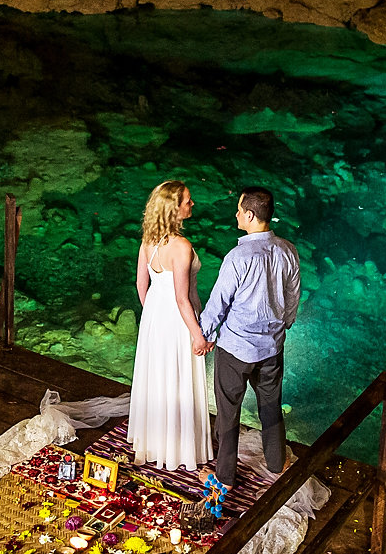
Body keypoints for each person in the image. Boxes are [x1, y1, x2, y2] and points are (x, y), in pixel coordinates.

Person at [200, 186, 300, 488]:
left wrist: (203, 334)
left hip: (235, 348)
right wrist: (285, 324)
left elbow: (219, 302)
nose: (236, 214)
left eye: (239, 209)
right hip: (271, 347)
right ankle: (274, 461)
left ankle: (225, 477)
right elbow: (293, 295)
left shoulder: (238, 256)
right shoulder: (288, 250)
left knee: (228, 410)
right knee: (271, 404)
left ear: (251, 215)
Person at [128, 180, 213, 471]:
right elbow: (182, 298)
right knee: (177, 379)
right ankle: (179, 448)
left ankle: (155, 441)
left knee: (158, 378)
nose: (192, 204)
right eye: (187, 201)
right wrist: (198, 336)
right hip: (178, 320)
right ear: (174, 208)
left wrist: (152, 314)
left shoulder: (147, 241)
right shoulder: (181, 246)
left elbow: (142, 284)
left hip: (155, 317)